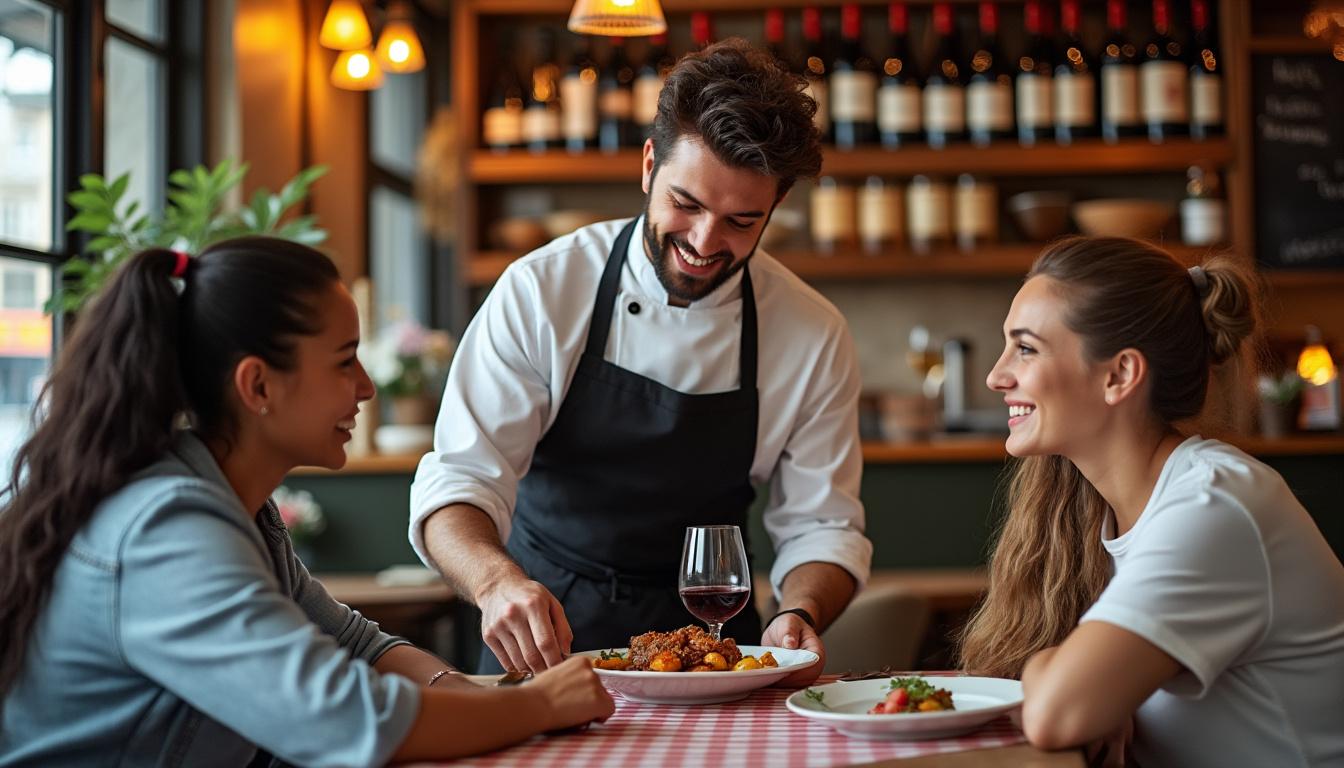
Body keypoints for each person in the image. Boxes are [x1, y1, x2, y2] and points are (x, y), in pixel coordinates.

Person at [0, 238, 613, 766]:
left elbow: (357, 647)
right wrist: (535, 704)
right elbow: (345, 719)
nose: (368, 388)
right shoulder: (167, 529)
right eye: (345, 362)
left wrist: (484, 700)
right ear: (258, 385)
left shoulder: (237, 510)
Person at [410, 39, 871, 680]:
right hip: (545, 636)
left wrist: (802, 612)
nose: (705, 243)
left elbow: (823, 525)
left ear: (775, 208)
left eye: (742, 221)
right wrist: (494, 585)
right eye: (687, 204)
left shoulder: (810, 332)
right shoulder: (544, 289)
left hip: (714, 648)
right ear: (650, 165)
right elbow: (460, 481)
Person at [959, 236, 1344, 767]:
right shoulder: (1113, 510)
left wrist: (1059, 671)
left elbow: (1055, 714)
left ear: (1119, 375)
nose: (996, 376)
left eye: (1025, 348)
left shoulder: (1214, 506)